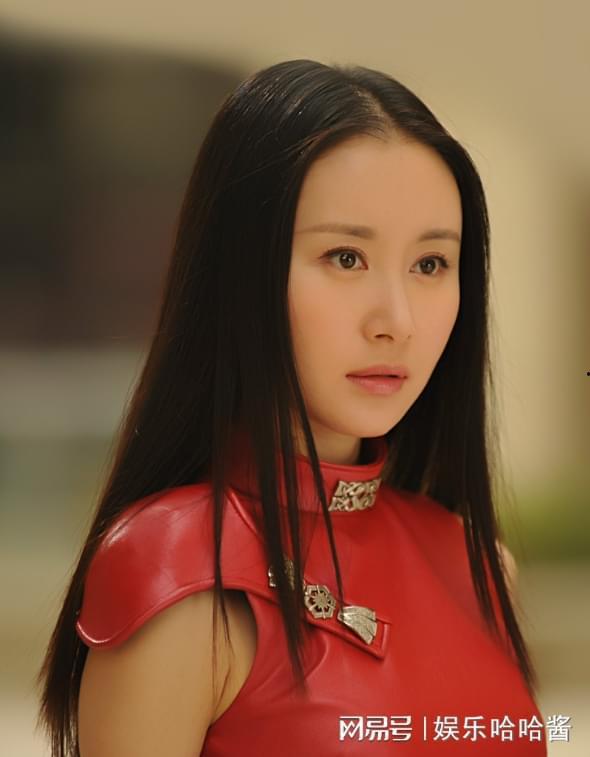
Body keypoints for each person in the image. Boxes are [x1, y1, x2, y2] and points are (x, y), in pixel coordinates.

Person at [36, 59, 548, 755]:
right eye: (345, 257)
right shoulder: (180, 573)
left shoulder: (477, 565)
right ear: (240, 272)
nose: (397, 320)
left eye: (430, 264)